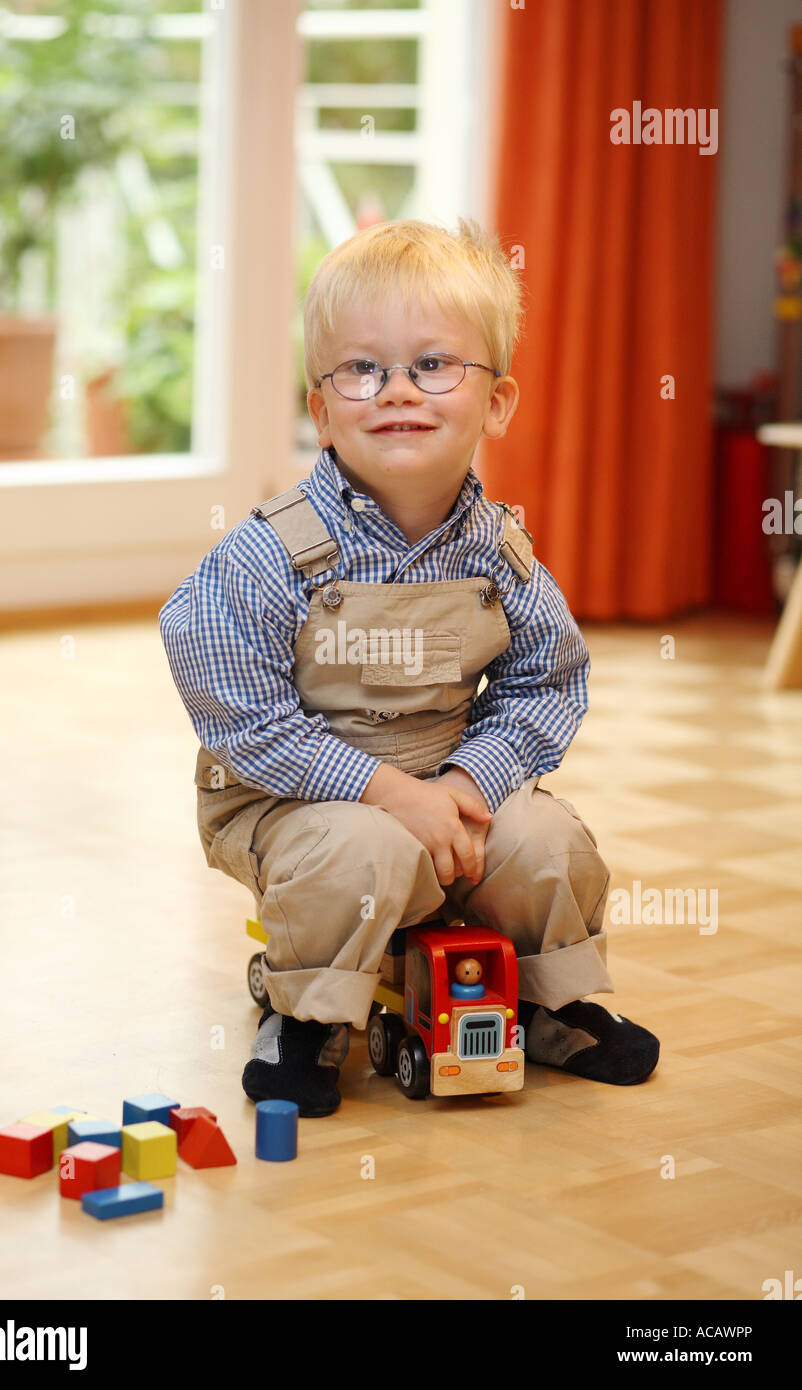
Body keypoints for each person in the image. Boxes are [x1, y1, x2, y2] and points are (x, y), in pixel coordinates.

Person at [159, 217, 659, 1117]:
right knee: (363, 850)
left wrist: (474, 779)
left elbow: (547, 683)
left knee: (548, 844)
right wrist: (392, 793)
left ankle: (552, 1003)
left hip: (448, 784)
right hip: (293, 801)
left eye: (433, 364)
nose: (396, 390)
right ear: (320, 409)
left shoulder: (500, 556)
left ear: (496, 403)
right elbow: (244, 721)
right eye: (360, 368)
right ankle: (304, 1013)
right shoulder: (270, 556)